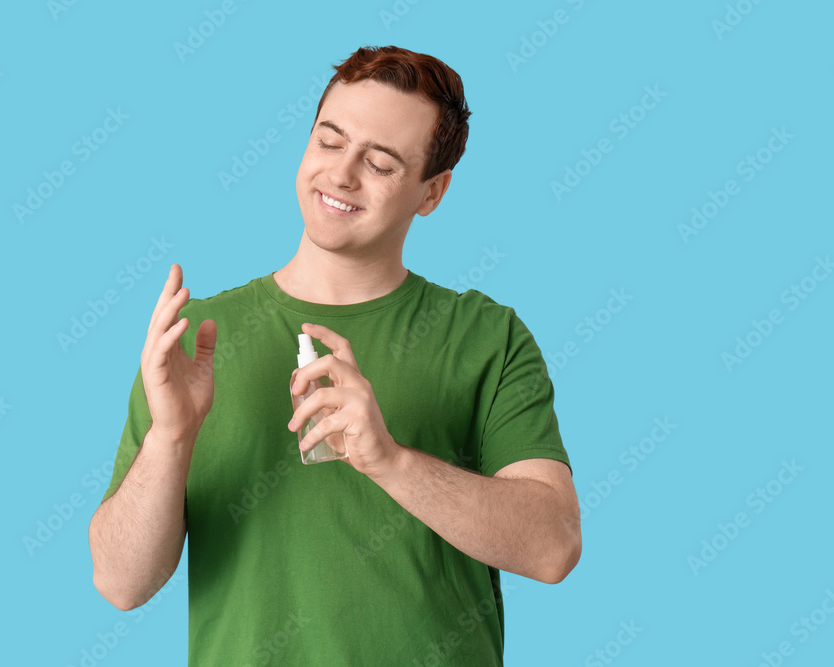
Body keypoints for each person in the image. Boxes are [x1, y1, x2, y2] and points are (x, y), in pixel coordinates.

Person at [88, 45, 581, 665]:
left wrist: (391, 462)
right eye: (329, 141)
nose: (342, 174)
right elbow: (121, 583)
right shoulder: (195, 341)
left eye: (380, 163)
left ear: (432, 192)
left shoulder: (486, 337)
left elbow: (553, 547)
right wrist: (171, 437)